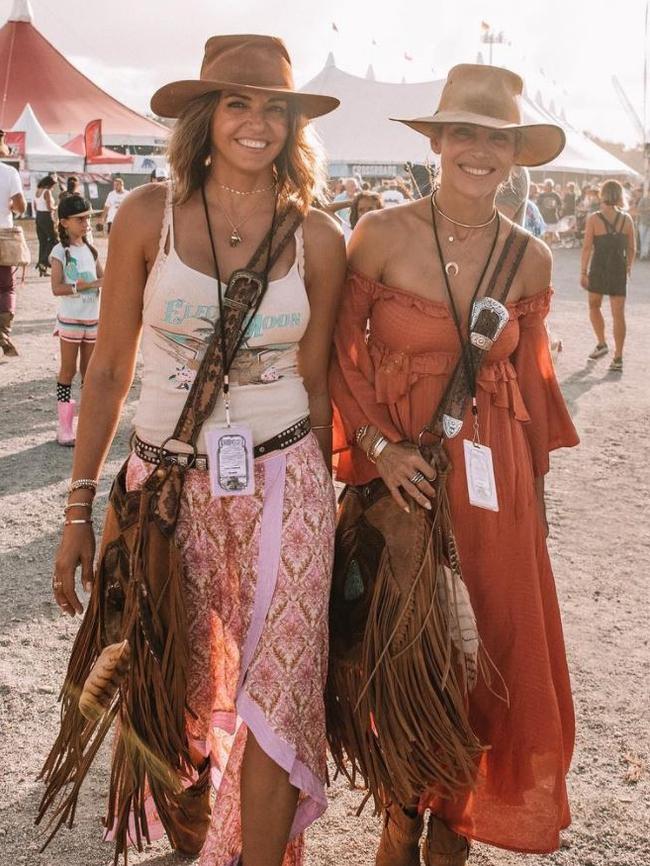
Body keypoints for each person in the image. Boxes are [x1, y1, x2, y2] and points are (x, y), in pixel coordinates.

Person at [46, 34, 344, 866]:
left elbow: (316, 386)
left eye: (275, 109)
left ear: (294, 125)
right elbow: (108, 368)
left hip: (286, 481)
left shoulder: (318, 237)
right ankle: (192, 842)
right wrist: (80, 510)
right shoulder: (147, 214)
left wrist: (333, 504)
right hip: (164, 485)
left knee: (279, 691)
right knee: (171, 680)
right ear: (204, 116)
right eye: (238, 104)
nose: (257, 124)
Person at [329, 63, 578, 865]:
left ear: (516, 155)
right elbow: (337, 357)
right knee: (400, 645)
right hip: (402, 472)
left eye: (497, 138)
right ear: (437, 142)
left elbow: (534, 388)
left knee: (490, 648)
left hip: (495, 485)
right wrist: (377, 449)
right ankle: (403, 805)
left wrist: (534, 498)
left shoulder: (532, 259)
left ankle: (455, 813)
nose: (479, 151)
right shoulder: (381, 233)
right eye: (464, 133)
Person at [50, 195, 103, 445]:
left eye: (88, 218)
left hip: (92, 320)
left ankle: (87, 424)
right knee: (68, 370)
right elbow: (56, 287)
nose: (85, 223)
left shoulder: (91, 250)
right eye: (80, 219)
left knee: (89, 374)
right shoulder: (60, 251)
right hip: (71, 320)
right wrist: (84, 286)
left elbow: (105, 278)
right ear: (64, 222)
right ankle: (64, 427)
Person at [580, 180, 635, 372]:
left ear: (603, 195)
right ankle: (618, 357)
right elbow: (631, 248)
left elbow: (587, 248)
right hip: (618, 268)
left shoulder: (594, 219)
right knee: (618, 313)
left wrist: (583, 272)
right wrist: (628, 267)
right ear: (620, 196)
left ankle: (602, 343)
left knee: (594, 305)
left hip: (599, 267)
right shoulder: (627, 219)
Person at [0, 159, 26, 356]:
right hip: (3, 236)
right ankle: (3, 333)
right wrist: (9, 204)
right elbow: (20, 206)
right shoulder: (9, 172)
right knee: (6, 287)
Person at [34, 175, 58, 277]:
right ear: (50, 184)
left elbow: (35, 207)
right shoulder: (47, 192)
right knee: (54, 239)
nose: (54, 187)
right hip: (46, 217)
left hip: (39, 216)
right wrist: (57, 206)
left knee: (42, 242)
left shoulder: (38, 191)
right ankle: (43, 261)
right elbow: (49, 207)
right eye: (53, 185)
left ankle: (42, 269)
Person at [537, 178, 562, 244]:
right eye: (547, 185)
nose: (548, 187)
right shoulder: (541, 195)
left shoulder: (555, 195)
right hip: (543, 218)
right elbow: (538, 205)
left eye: (549, 185)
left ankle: (548, 248)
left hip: (552, 218)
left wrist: (555, 206)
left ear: (551, 186)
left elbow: (560, 205)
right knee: (543, 235)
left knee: (550, 235)